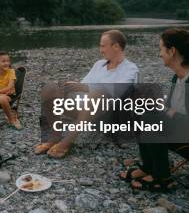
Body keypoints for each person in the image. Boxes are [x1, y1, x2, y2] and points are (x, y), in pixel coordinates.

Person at [120, 28, 189, 192]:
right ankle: (148, 167)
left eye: (161, 49)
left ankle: (162, 177)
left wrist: (164, 110)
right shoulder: (177, 77)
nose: (159, 54)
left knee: (150, 119)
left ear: (172, 51)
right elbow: (171, 110)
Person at [36, 30, 139, 158]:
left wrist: (86, 88)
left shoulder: (131, 69)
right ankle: (55, 137)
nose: (100, 50)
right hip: (88, 111)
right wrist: (66, 88)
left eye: (103, 46)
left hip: (111, 117)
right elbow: (82, 90)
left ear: (116, 46)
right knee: (51, 87)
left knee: (98, 93)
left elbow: (118, 92)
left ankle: (67, 142)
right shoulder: (99, 65)